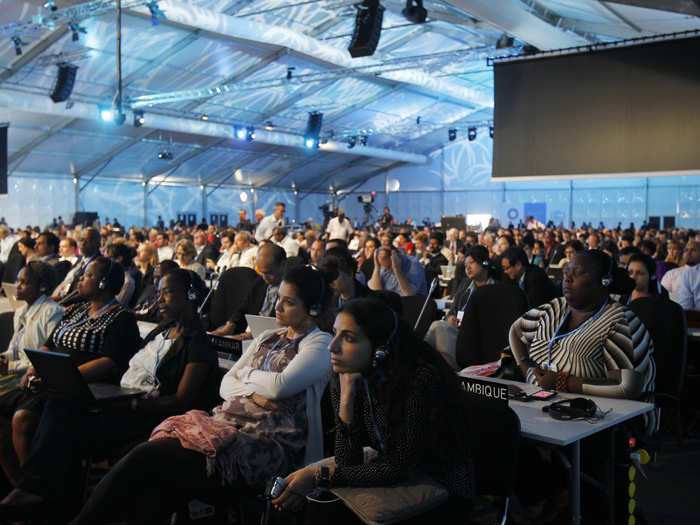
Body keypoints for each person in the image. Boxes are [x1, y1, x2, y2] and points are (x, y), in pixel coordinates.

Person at [71, 265, 333, 524]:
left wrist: (249, 378)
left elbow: (280, 387)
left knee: (146, 459)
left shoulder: (320, 343)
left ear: (311, 307)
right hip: (223, 424)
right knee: (155, 481)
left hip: (265, 442)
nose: (277, 307)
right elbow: (226, 385)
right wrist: (258, 392)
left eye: (288, 303)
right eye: (278, 299)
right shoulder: (267, 337)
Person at [1, 269, 220, 516]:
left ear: (190, 295)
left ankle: (41, 495)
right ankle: (42, 495)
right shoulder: (161, 331)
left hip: (143, 415)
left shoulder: (198, 344)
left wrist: (131, 405)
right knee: (58, 402)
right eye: (158, 293)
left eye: (166, 293)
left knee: (62, 418)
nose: (159, 300)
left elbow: (181, 400)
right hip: (120, 399)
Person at [272, 298, 473, 514]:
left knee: (323, 508)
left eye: (348, 338)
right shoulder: (347, 374)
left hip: (440, 489)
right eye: (335, 332)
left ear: (380, 348)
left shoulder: (419, 380)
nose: (333, 346)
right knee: (302, 497)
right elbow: (347, 461)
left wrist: (319, 477)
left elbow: (399, 467)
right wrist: (346, 401)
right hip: (391, 475)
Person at [0, 257, 140, 486]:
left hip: (81, 388)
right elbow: (49, 342)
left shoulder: (121, 318)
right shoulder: (76, 310)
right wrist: (34, 369)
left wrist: (59, 376)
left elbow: (110, 363)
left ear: (104, 283)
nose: (81, 279)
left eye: (88, 275)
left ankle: (35, 488)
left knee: (22, 419)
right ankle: (17, 484)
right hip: (49, 380)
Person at [509, 250, 655, 410]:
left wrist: (562, 382)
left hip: (606, 417)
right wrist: (526, 369)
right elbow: (516, 331)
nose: (567, 278)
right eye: (566, 273)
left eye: (577, 273)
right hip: (548, 405)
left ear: (604, 281)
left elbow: (627, 387)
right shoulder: (555, 307)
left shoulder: (620, 321)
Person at [0, 263, 63, 392]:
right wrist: (4, 358)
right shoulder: (20, 312)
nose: (17, 286)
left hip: (31, 379)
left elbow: (46, 360)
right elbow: (16, 350)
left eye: (23, 282)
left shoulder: (53, 312)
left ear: (42, 287)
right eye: (17, 281)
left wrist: (11, 366)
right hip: (16, 373)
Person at [210, 243, 286, 338]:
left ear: (282, 265)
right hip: (247, 333)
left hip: (272, 339)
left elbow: (286, 325)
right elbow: (243, 308)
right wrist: (230, 325)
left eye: (269, 273)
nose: (264, 277)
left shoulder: (292, 290)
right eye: (262, 272)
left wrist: (254, 335)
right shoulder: (260, 282)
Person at [52, 228, 101, 300]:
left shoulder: (99, 263)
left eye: (88, 241)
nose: (83, 243)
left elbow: (87, 292)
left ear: (97, 244)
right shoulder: (80, 260)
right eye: (81, 240)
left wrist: (60, 299)